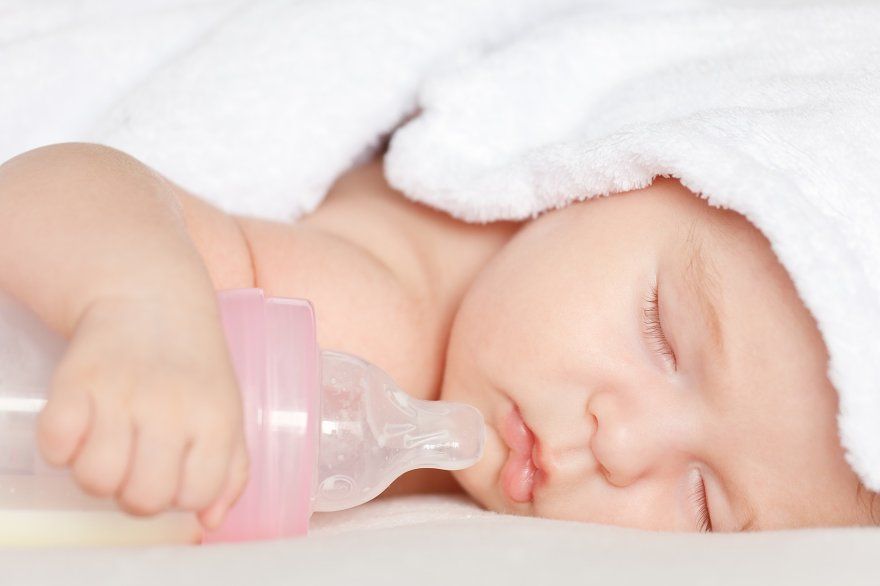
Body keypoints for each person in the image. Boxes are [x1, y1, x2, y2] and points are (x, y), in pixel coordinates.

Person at [0, 142, 874, 534]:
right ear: (620, 169)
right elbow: (48, 186)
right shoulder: (372, 302)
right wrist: (141, 306)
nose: (623, 443)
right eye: (663, 335)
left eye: (705, 509)